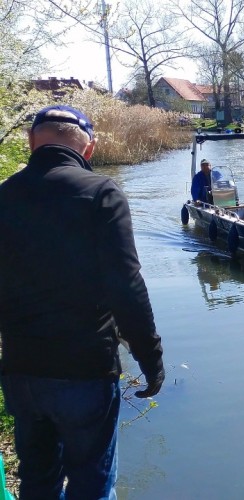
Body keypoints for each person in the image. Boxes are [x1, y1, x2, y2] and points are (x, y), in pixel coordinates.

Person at [0, 105, 165, 499]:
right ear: (87, 150)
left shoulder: (3, 196)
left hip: (22, 370)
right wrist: (151, 359)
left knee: (38, 481)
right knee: (92, 483)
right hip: (85, 369)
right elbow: (125, 285)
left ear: (30, 142)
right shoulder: (100, 193)